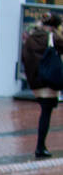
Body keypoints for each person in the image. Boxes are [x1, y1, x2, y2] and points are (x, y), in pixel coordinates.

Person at [19, 13, 61, 158]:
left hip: (35, 82)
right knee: (46, 114)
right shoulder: (53, 38)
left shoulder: (30, 38)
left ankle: (41, 146)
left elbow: (25, 58)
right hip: (48, 82)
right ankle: (40, 146)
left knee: (45, 111)